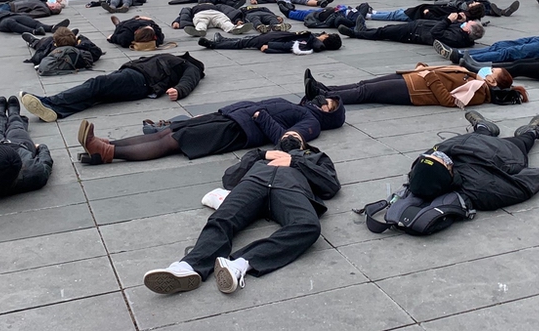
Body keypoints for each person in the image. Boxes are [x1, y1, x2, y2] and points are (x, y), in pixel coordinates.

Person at [143, 133, 340, 295]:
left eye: (295, 135)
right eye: (286, 134)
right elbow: (230, 179)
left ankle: (240, 264)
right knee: (222, 219)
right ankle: (188, 267)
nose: (290, 135)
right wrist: (261, 155)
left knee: (308, 226)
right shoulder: (262, 156)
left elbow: (330, 185)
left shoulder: (314, 157)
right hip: (252, 184)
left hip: (291, 189)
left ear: (303, 143)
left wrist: (295, 160)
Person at [76, 94, 345, 164]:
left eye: (327, 105)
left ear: (329, 117)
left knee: (172, 141)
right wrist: (223, 110)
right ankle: (108, 145)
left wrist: (260, 116)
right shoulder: (304, 109)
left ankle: (108, 153)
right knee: (166, 133)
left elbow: (284, 142)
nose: (321, 103)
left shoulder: (312, 123)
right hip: (230, 118)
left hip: (238, 132)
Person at [19, 51, 205, 121]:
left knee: (96, 84)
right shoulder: (178, 60)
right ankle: (57, 112)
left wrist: (179, 90)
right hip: (134, 75)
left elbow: (190, 80)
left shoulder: (190, 66)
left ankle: (49, 101)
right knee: (97, 94)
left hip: (141, 80)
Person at [303, 64, 523, 108]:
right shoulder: (474, 77)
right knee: (365, 83)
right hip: (413, 78)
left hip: (414, 90)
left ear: (492, 82)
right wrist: (425, 68)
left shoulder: (478, 90)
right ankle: (325, 89)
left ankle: (321, 96)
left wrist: (429, 76)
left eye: (492, 72)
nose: (488, 69)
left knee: (366, 92)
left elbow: (448, 100)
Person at [339, 17, 485, 49]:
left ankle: (356, 33)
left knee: (383, 32)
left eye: (469, 23)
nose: (467, 21)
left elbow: (436, 32)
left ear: (468, 30)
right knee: (386, 29)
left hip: (414, 33)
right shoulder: (461, 32)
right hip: (418, 26)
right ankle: (361, 29)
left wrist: (448, 20)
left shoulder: (457, 38)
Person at [198, 29, 343, 54]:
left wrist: (269, 47)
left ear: (327, 38)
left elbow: (289, 47)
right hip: (276, 36)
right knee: (247, 40)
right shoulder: (314, 39)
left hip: (273, 39)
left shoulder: (311, 43)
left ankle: (214, 44)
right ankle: (222, 40)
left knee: (243, 43)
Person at [171, 3, 254, 36]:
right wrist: (176, 21)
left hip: (213, 14)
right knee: (223, 22)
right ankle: (199, 31)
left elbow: (229, 11)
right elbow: (184, 14)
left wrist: (237, 20)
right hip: (205, 14)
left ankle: (235, 28)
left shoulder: (217, 6)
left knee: (223, 21)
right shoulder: (194, 8)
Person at [0, 9, 69, 36]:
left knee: (29, 20)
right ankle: (33, 32)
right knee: (11, 23)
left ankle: (51, 28)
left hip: (11, 14)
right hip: (0, 22)